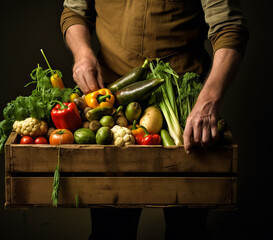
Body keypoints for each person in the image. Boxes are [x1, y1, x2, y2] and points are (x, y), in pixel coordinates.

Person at [60, 0, 248, 239]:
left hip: (184, 107)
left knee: (187, 230)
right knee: (110, 230)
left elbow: (229, 27)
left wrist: (209, 99)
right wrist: (82, 54)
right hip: (114, 106)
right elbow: (75, 11)